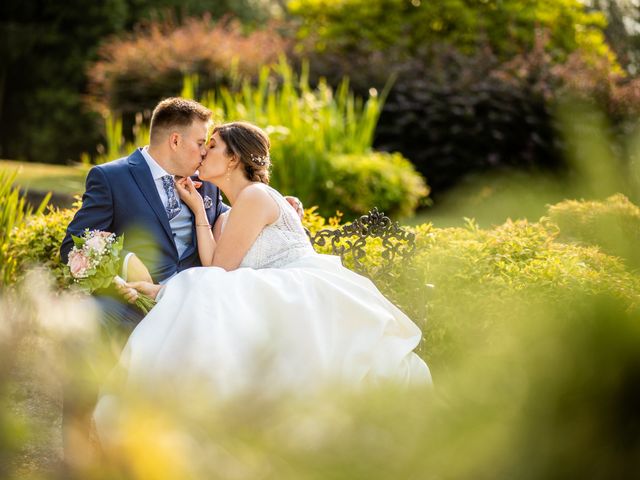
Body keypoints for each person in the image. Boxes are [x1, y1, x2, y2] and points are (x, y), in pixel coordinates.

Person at [94, 122, 431, 439]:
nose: (202, 153)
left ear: (233, 159)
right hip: (269, 293)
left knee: (208, 298)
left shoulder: (256, 196)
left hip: (301, 289)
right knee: (212, 300)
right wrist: (199, 210)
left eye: (211, 146)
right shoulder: (227, 214)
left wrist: (165, 288)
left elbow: (219, 272)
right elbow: (215, 265)